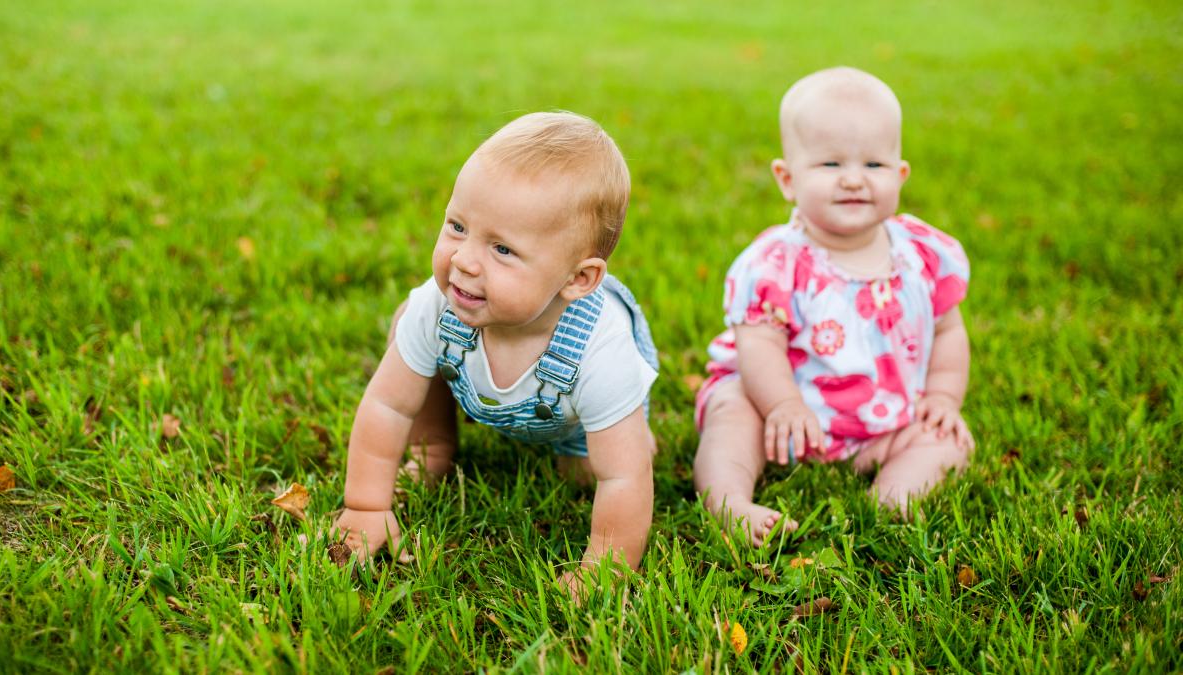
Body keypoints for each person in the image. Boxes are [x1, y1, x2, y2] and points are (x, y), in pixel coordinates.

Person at [334, 112, 659, 594]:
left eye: (503, 250)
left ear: (578, 279)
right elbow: (388, 404)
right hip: (465, 372)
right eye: (458, 226)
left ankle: (620, 437)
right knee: (412, 327)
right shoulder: (439, 305)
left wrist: (605, 568)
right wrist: (365, 505)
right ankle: (434, 447)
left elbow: (624, 479)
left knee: (594, 470)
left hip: (571, 414)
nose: (464, 260)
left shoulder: (601, 351)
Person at [693, 67, 974, 546]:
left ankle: (892, 498)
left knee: (948, 439)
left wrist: (943, 399)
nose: (853, 181)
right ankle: (731, 501)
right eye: (829, 166)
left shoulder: (923, 255)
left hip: (883, 421)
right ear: (787, 178)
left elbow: (948, 331)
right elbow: (758, 345)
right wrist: (782, 404)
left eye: (874, 166)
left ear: (900, 174)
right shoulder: (777, 263)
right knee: (732, 409)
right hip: (778, 417)